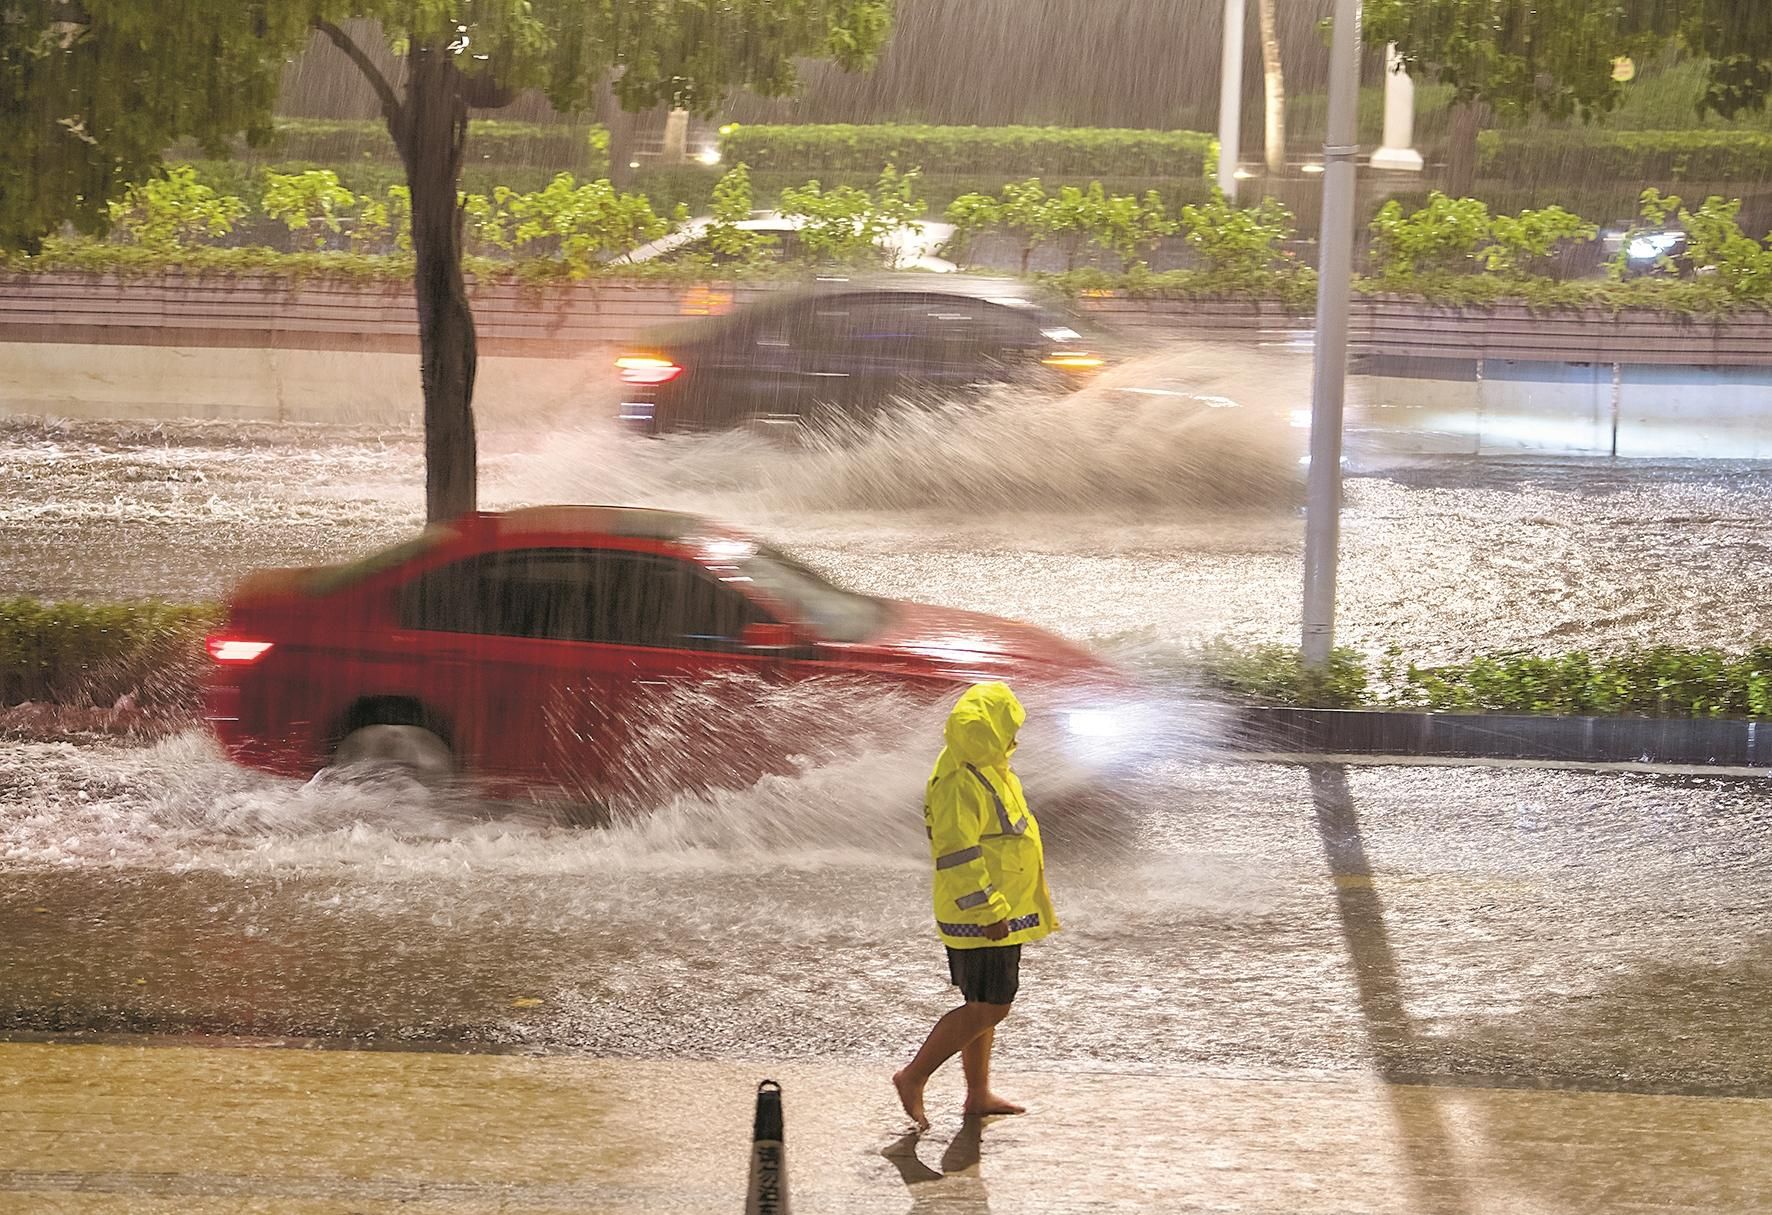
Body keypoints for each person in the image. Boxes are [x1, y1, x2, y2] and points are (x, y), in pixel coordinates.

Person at [893, 681, 1059, 1130]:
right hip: (983, 914)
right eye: (1009, 729)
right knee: (990, 1007)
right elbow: (957, 855)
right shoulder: (959, 780)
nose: (1015, 739)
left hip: (998, 909)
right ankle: (913, 1076)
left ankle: (977, 1093)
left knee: (981, 1003)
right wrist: (989, 910)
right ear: (988, 732)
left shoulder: (988, 766)